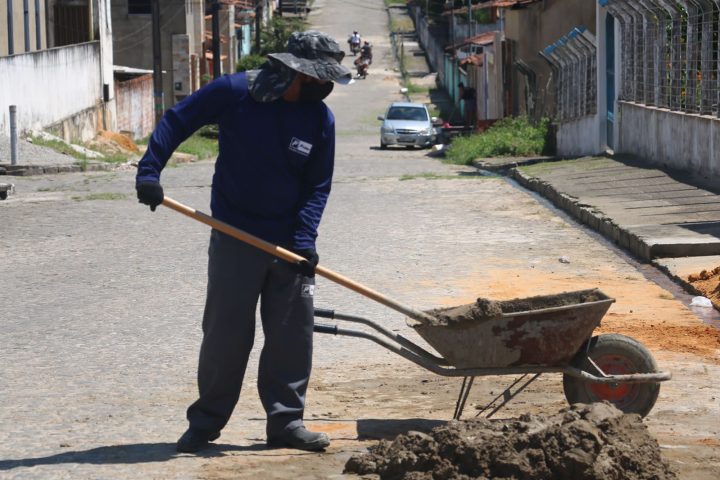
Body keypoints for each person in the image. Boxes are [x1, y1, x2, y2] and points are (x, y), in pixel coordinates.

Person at [135, 31, 352, 454]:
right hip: (235, 234)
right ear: (297, 72)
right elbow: (177, 120)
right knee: (225, 335)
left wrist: (304, 239)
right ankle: (205, 423)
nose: (325, 87)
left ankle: (286, 423)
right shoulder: (234, 92)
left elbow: (317, 186)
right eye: (320, 78)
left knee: (293, 336)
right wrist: (149, 171)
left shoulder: (319, 119)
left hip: (289, 245)